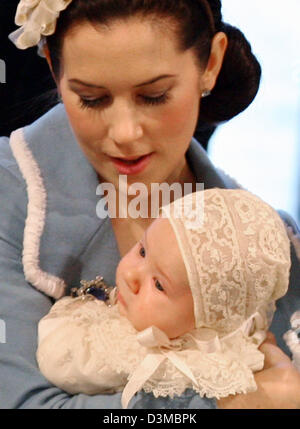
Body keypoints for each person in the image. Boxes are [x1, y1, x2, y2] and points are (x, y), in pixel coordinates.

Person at [0, 0, 299, 409]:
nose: (124, 132)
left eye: (154, 96)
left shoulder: (270, 245)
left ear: (211, 63)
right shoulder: (11, 194)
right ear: (54, 66)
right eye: (91, 98)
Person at [36, 188, 291, 409]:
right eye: (143, 250)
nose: (132, 275)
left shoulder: (149, 356)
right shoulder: (119, 334)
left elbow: (58, 360)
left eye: (158, 284)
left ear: (206, 321)